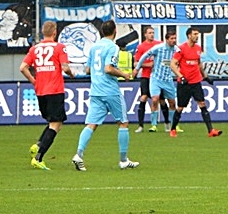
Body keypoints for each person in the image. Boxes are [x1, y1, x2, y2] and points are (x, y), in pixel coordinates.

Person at [72, 19, 140, 171]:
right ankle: (123, 160)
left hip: (96, 90)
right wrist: (124, 74)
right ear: (115, 31)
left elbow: (88, 70)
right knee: (123, 123)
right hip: (110, 90)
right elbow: (108, 68)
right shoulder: (113, 47)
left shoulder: (94, 47)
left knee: (91, 124)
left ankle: (79, 155)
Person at [20, 21, 73, 170]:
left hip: (41, 90)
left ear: (43, 32)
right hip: (55, 90)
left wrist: (34, 81)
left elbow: (23, 67)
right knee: (56, 124)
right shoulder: (59, 47)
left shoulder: (34, 49)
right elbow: (65, 67)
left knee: (53, 122)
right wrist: (71, 73)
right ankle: (39, 157)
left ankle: (38, 145)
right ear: (55, 32)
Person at [169, 26, 222, 138]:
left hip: (196, 81)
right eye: (195, 34)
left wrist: (205, 76)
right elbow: (172, 64)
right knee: (180, 107)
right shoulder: (181, 48)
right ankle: (173, 129)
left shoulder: (198, 48)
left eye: (197, 34)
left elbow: (198, 63)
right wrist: (181, 76)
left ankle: (210, 130)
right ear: (189, 35)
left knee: (202, 104)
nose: (197, 36)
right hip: (184, 83)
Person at [134, 28, 182, 135]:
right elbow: (144, 56)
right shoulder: (158, 48)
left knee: (172, 102)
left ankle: (174, 125)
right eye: (172, 38)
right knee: (155, 99)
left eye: (175, 38)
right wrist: (137, 68)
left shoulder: (177, 50)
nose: (174, 40)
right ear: (166, 40)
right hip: (155, 78)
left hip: (168, 79)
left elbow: (181, 59)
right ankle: (154, 124)